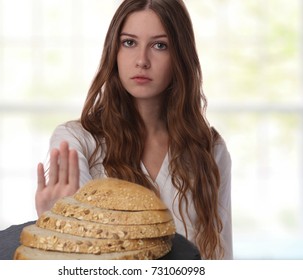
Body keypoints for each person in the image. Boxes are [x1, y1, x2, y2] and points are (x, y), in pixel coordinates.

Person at [35, 0, 232, 260]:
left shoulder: (211, 150)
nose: (142, 61)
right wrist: (56, 229)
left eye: (159, 46)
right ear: (113, 51)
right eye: (129, 42)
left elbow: (220, 257)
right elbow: (85, 259)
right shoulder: (77, 142)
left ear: (180, 56)